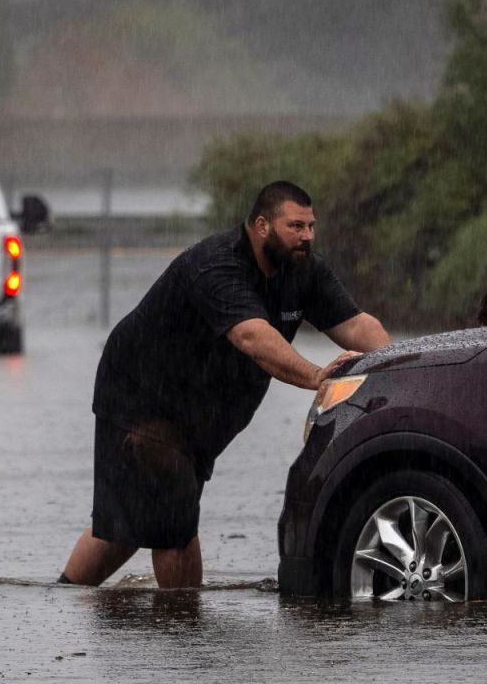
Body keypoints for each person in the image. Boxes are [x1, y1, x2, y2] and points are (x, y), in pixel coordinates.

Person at [60, 180, 391, 587]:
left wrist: (402, 365)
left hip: (199, 413)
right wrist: (316, 377)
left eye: (311, 226)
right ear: (262, 225)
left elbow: (357, 325)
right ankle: (186, 631)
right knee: (174, 517)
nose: (307, 237)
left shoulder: (305, 272)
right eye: (296, 226)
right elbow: (253, 336)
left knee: (129, 524)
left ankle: (66, 597)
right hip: (142, 397)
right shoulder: (217, 265)